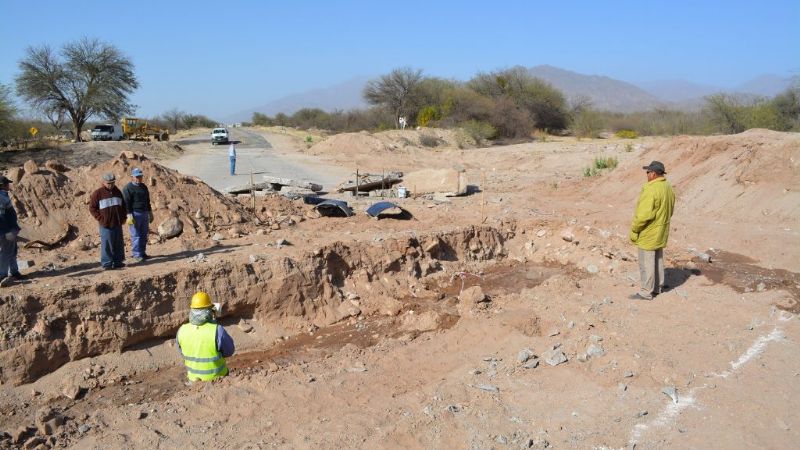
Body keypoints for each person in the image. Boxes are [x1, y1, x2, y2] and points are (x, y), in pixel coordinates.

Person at [629, 161, 676, 300]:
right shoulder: (668, 187)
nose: (647, 175)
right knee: (658, 259)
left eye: (648, 172)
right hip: (662, 230)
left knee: (646, 261)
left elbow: (644, 215)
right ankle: (657, 287)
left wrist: (634, 229)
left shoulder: (651, 189)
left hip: (649, 232)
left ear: (653, 174)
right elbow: (671, 210)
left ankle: (646, 292)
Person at [176, 292, 235, 381]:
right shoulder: (217, 330)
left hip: (194, 380)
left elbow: (182, 352)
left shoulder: (181, 330)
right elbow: (229, 351)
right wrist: (214, 324)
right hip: (218, 380)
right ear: (208, 311)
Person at [89, 173, 127, 270]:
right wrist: (101, 219)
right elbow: (92, 208)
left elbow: (123, 206)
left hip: (117, 223)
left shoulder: (117, 192)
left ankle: (118, 262)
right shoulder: (98, 193)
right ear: (104, 182)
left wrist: (123, 218)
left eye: (112, 182)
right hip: (106, 225)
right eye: (109, 183)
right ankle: (107, 264)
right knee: (107, 244)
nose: (111, 185)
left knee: (118, 243)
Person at [122, 167, 154, 262]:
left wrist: (150, 212)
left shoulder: (144, 187)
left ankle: (142, 253)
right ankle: (136, 254)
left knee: (144, 234)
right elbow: (126, 202)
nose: (138, 178)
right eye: (136, 176)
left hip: (144, 213)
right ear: (132, 177)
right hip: (134, 214)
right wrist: (129, 214)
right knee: (136, 235)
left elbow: (147, 200)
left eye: (140, 176)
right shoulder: (128, 188)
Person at [0, 175, 23, 287]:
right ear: (2, 186)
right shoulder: (0, 197)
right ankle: (2, 275)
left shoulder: (3, 195)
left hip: (10, 229)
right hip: (6, 230)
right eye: (6, 184)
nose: (8, 185)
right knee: (5, 252)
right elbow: (1, 216)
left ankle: (14, 272)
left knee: (12, 250)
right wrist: (6, 231)